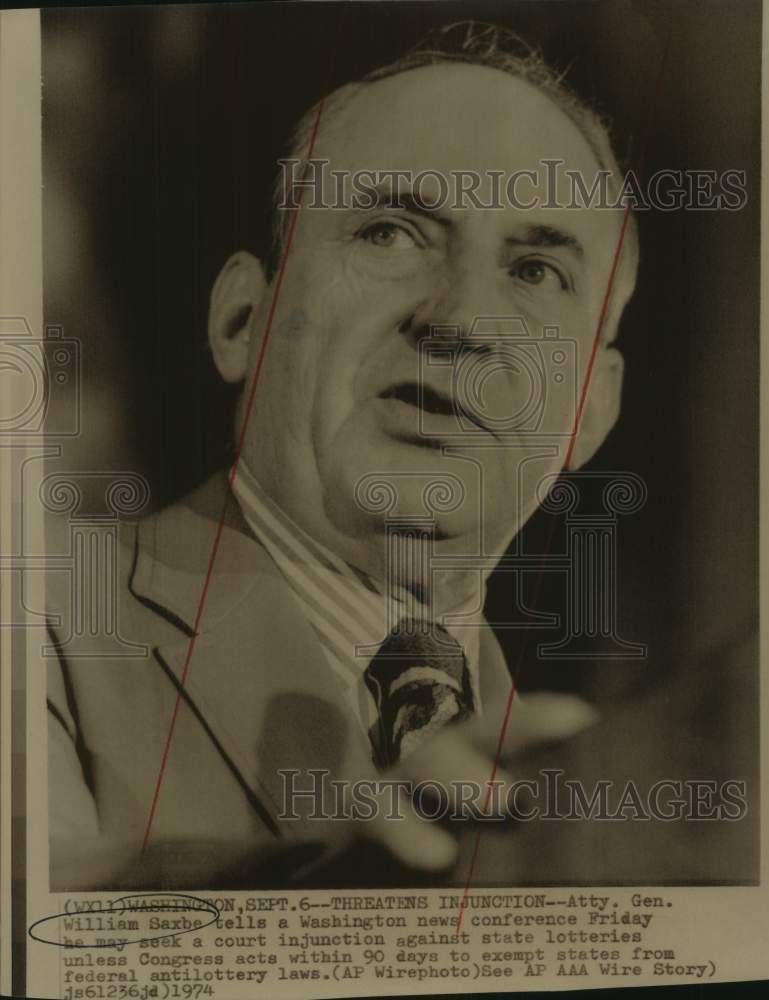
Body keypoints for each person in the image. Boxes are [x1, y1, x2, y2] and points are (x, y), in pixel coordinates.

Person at [47, 22, 639, 889]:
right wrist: (345, 899)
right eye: (390, 232)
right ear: (241, 321)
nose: (463, 322)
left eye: (535, 272)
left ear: (590, 410)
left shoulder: (596, 795)